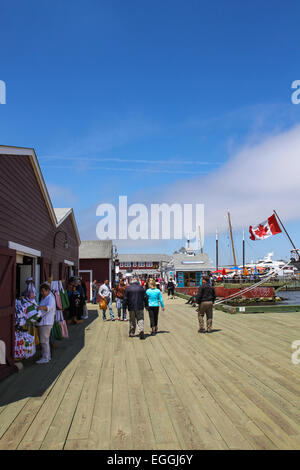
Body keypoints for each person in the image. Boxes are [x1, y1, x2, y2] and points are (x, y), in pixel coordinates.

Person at [36, 283, 56, 364]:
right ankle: (46, 356)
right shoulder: (45, 297)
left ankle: (46, 357)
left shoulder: (50, 298)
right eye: (41, 291)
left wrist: (40, 307)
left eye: (44, 291)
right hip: (43, 322)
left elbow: (49, 308)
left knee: (44, 341)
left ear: (48, 290)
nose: (42, 293)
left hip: (46, 322)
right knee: (44, 340)